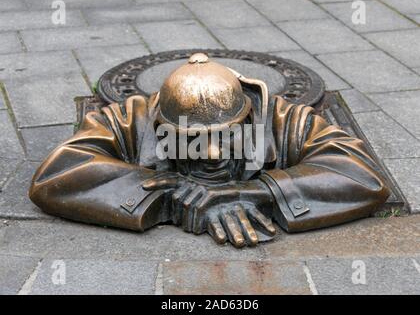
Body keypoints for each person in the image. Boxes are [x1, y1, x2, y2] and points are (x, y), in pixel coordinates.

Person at [29, 53, 390, 248]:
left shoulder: (285, 119)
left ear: (248, 117)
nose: (214, 154)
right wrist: (171, 194)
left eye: (228, 135)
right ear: (162, 126)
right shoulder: (130, 118)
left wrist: (254, 191)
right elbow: (56, 176)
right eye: (190, 139)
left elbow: (361, 174)